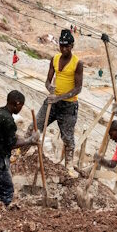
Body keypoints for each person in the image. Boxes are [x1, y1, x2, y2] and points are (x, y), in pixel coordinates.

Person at [0, 90, 39, 206]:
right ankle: (3, 210)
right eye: (21, 106)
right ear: (17, 104)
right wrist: (30, 141)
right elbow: (12, 144)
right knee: (8, 190)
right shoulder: (8, 120)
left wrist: (23, 139)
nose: (21, 109)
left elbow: (7, 135)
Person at [37, 29, 84, 167]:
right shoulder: (55, 59)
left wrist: (60, 97)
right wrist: (49, 88)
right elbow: (47, 81)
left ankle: (68, 166)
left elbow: (78, 88)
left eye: (67, 46)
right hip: (52, 102)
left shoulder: (77, 63)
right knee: (36, 127)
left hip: (68, 106)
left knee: (68, 138)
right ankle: (20, 154)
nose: (63, 49)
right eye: (61, 46)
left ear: (72, 46)